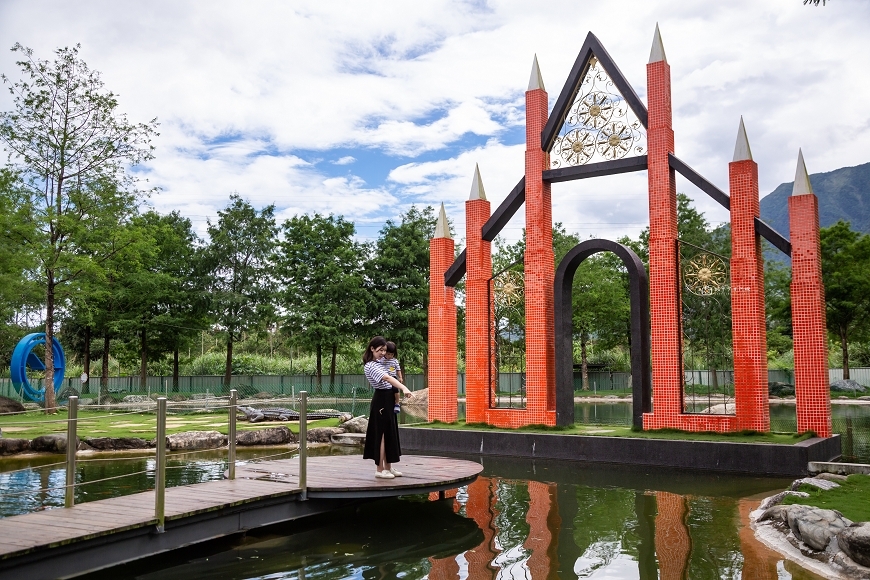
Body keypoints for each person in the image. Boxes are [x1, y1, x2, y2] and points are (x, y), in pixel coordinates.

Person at [362, 336, 413, 479]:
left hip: (389, 398)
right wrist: (404, 388)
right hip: (381, 400)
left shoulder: (380, 362)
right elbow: (387, 378)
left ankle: (388, 468)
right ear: (372, 348)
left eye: (385, 350)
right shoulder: (371, 365)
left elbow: (393, 373)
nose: (383, 353)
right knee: (382, 435)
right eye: (380, 350)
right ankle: (380, 469)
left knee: (390, 433)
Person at [382, 341, 404, 414]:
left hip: (393, 377)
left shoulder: (394, 361)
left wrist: (400, 377)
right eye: (388, 354)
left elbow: (398, 369)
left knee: (395, 389)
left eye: (392, 354)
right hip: (384, 377)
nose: (390, 356)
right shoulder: (381, 359)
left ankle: (397, 403)